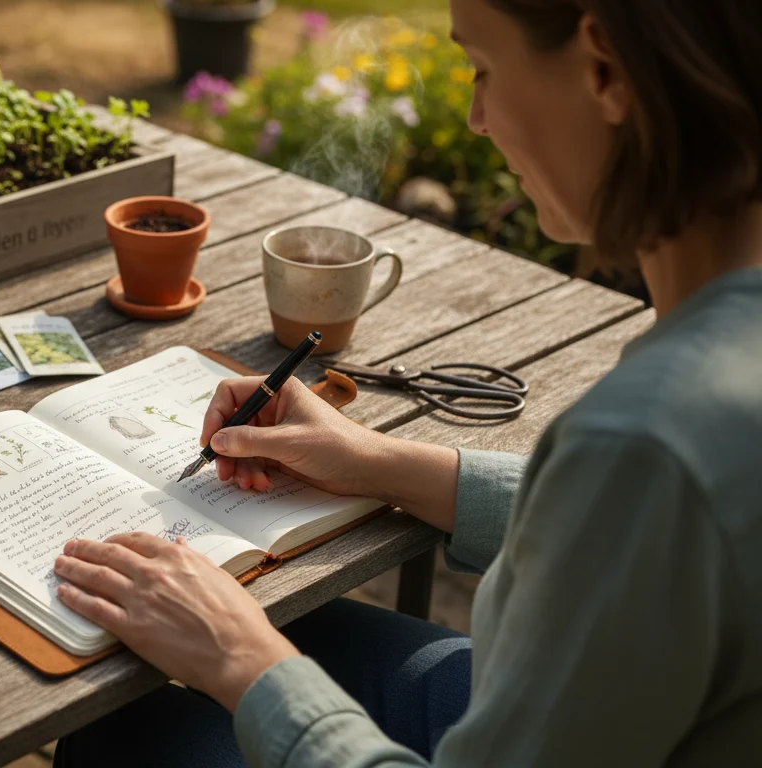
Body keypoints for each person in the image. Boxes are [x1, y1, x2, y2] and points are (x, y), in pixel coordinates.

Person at [52, 0, 762, 765]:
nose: (476, 117)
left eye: (484, 70)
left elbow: (640, 491)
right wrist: (377, 463)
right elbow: (634, 529)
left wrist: (243, 662)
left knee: (125, 731)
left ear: (605, 70)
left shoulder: (647, 440)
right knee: (296, 629)